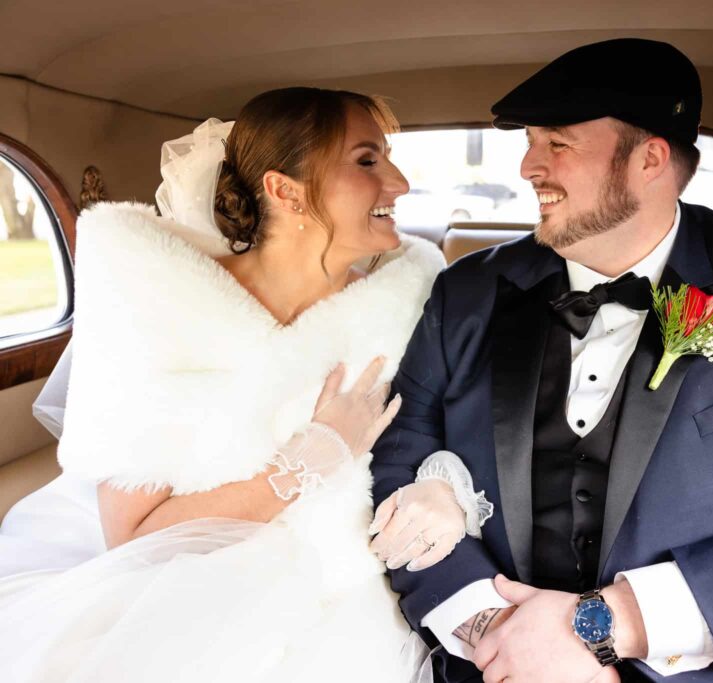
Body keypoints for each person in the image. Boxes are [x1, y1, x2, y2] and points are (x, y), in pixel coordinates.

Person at [370, 39, 713, 682]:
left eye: (557, 144)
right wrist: (494, 630)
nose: (528, 168)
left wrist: (601, 625)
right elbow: (397, 452)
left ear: (649, 159)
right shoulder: (467, 291)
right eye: (529, 143)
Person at [0, 87, 490, 682]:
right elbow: (131, 537)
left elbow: (461, 439)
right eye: (367, 161)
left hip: (366, 591)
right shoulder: (155, 303)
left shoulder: (414, 299)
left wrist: (446, 486)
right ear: (286, 191)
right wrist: (309, 461)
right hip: (183, 592)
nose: (399, 183)